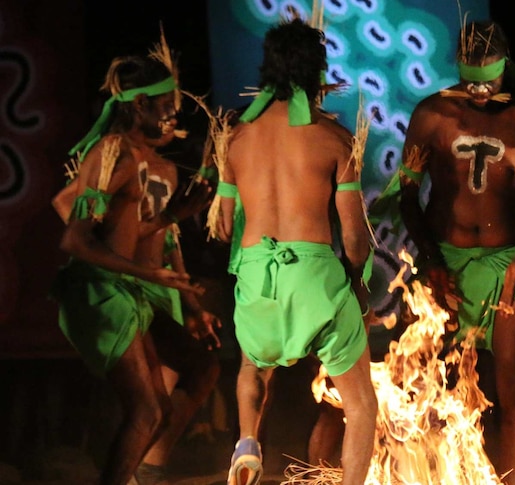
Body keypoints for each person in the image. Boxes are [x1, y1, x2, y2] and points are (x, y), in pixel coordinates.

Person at [215, 19, 377, 485]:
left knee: (252, 365)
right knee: (360, 401)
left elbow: (225, 225)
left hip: (256, 270)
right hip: (313, 275)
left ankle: (247, 444)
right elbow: (353, 235)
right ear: (318, 73)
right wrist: (356, 283)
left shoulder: (234, 139)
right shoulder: (334, 138)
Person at [398, 20, 515, 485]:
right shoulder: (431, 115)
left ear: (505, 68)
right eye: (471, 83)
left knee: (512, 386)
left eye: (489, 82)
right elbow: (408, 196)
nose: (481, 92)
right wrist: (430, 261)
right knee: (437, 379)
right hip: (446, 262)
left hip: (508, 262)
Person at [50, 54, 211, 485]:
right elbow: (74, 238)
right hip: (102, 290)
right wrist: (149, 275)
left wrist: (172, 218)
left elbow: (142, 231)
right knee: (147, 409)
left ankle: (146, 471)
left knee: (191, 373)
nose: (173, 113)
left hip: (134, 288)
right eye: (164, 103)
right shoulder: (112, 153)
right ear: (139, 106)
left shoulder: (155, 163)